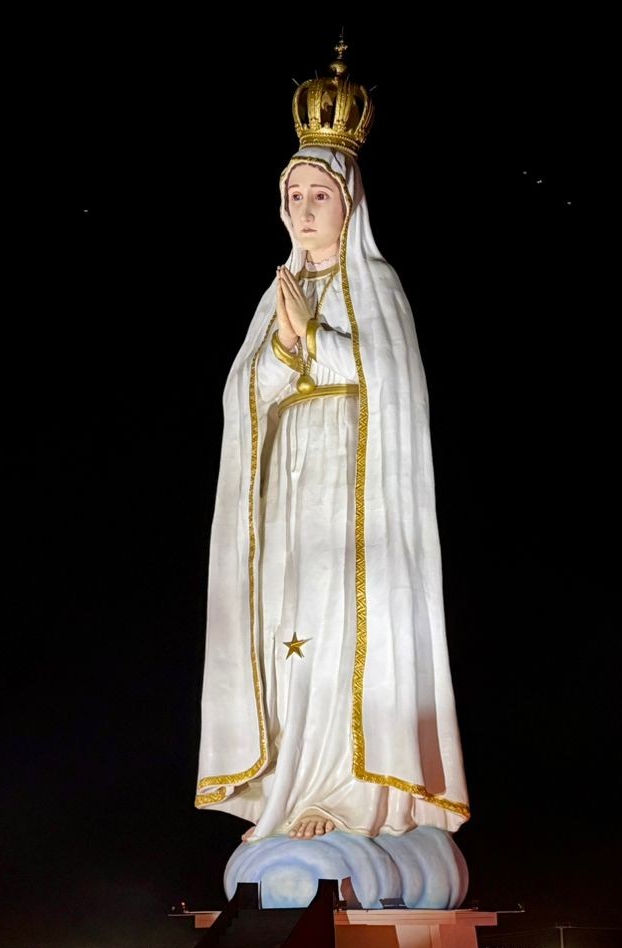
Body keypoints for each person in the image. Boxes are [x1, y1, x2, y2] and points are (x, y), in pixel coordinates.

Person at [194, 43, 469, 866]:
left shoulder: (376, 286)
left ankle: (350, 796)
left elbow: (392, 386)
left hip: (356, 506)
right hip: (291, 504)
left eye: (321, 195)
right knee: (290, 639)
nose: (306, 210)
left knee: (348, 637)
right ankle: (292, 787)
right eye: (294, 196)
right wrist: (282, 351)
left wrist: (312, 340)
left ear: (349, 203)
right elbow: (242, 397)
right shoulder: (277, 290)